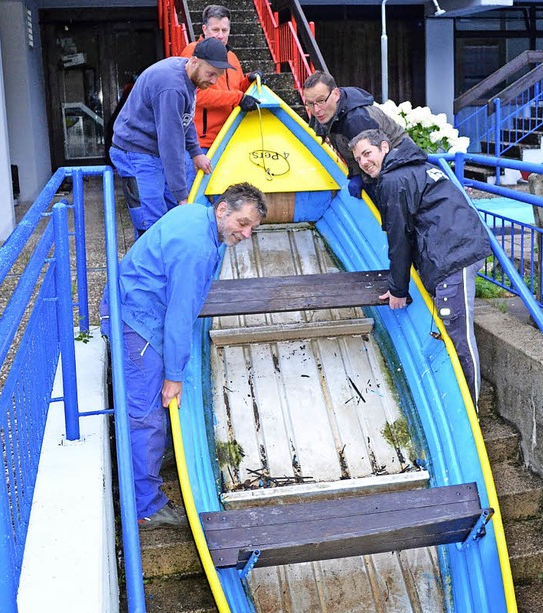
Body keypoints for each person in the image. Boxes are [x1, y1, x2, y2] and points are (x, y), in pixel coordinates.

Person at [112, 183, 267, 528]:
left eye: (252, 229)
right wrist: (173, 376)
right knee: (146, 416)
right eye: (242, 223)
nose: (246, 234)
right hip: (139, 321)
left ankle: (155, 459)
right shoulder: (197, 248)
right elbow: (179, 316)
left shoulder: (195, 214)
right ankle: (145, 507)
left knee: (150, 413)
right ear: (223, 209)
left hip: (133, 301)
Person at [348, 128, 491, 405]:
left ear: (385, 148)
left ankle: (469, 410)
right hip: (460, 246)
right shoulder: (415, 165)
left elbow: (398, 238)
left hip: (454, 255)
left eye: (368, 153)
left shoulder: (393, 180)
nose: (364, 162)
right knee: (455, 331)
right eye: (358, 159)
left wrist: (398, 290)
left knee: (458, 334)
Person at [109, 38, 234, 236]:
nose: (213, 81)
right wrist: (182, 197)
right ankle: (147, 265)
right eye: (211, 74)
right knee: (152, 222)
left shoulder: (187, 73)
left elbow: (185, 118)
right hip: (135, 151)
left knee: (171, 215)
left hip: (154, 148)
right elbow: (171, 143)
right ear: (194, 61)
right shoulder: (171, 87)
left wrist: (195, 152)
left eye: (218, 76)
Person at [302, 70, 407, 200]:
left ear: (335, 94)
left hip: (398, 164)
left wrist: (362, 178)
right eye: (310, 104)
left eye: (321, 101)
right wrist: (356, 173)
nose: (316, 110)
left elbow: (373, 158)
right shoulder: (325, 112)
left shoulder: (357, 120)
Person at [180, 5, 262, 151]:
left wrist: (249, 80)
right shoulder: (192, 52)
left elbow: (235, 90)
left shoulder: (232, 57)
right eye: (215, 30)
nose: (220, 35)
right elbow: (195, 95)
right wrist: (238, 98)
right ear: (204, 29)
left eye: (224, 30)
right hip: (200, 143)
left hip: (229, 138)